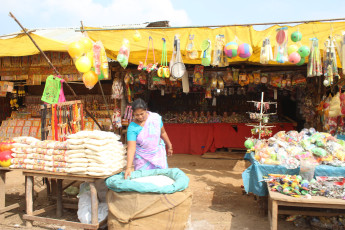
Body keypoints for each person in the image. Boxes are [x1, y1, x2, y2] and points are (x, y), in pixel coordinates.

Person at [125, 98, 173, 179]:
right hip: (142, 158)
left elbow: (163, 132)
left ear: (146, 110)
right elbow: (131, 148)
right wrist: (128, 168)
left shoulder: (155, 118)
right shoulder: (132, 127)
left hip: (158, 155)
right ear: (133, 113)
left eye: (142, 114)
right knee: (143, 179)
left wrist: (170, 146)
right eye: (137, 115)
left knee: (161, 179)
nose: (140, 117)